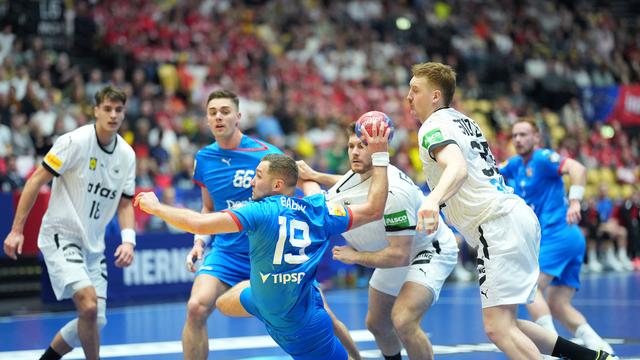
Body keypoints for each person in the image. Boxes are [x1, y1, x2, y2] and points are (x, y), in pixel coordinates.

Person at [407, 61, 614, 360]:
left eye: (415, 90)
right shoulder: (463, 120)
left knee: (497, 328)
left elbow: (458, 168)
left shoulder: (432, 126)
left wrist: (431, 200)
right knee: (507, 322)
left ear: (436, 96)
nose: (409, 97)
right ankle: (594, 357)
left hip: (496, 225)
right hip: (514, 218)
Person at [134, 122, 389, 359]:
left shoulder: (258, 211)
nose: (252, 182)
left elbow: (198, 223)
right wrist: (377, 158)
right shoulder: (318, 208)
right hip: (278, 305)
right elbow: (374, 208)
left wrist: (156, 207)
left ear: (277, 184)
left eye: (258, 175)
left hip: (295, 327)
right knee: (222, 301)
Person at [184, 89, 359, 359]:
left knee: (324, 314)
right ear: (206, 119)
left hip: (272, 252)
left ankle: (357, 357)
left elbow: (300, 181)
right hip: (228, 252)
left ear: (238, 116)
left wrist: (318, 207)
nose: (219, 117)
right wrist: (199, 242)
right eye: (212, 112)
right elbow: (208, 207)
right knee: (196, 307)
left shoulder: (266, 154)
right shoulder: (204, 159)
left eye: (225, 111)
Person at [296, 123, 458, 360]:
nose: (354, 151)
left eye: (363, 146)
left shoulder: (394, 194)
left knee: (403, 320)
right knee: (376, 324)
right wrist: (317, 176)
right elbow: (347, 186)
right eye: (351, 145)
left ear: (379, 150)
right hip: (394, 249)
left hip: (426, 249)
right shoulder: (362, 172)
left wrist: (356, 256)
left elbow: (399, 255)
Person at [3, 85, 137, 360]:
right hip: (61, 235)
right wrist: (17, 230)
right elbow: (35, 180)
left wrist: (128, 240)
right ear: (96, 111)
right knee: (87, 307)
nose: (113, 115)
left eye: (118, 110)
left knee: (95, 320)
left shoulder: (127, 155)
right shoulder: (75, 141)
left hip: (94, 245)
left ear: (124, 114)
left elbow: (125, 202)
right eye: (107, 109)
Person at [500, 120, 615, 354]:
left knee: (530, 290)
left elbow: (578, 169)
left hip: (559, 234)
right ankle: (602, 349)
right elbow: (491, 172)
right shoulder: (515, 165)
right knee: (558, 304)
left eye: (524, 134)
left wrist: (575, 201)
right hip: (567, 240)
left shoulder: (543, 158)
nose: (518, 139)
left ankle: (549, 350)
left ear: (536, 137)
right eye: (515, 135)